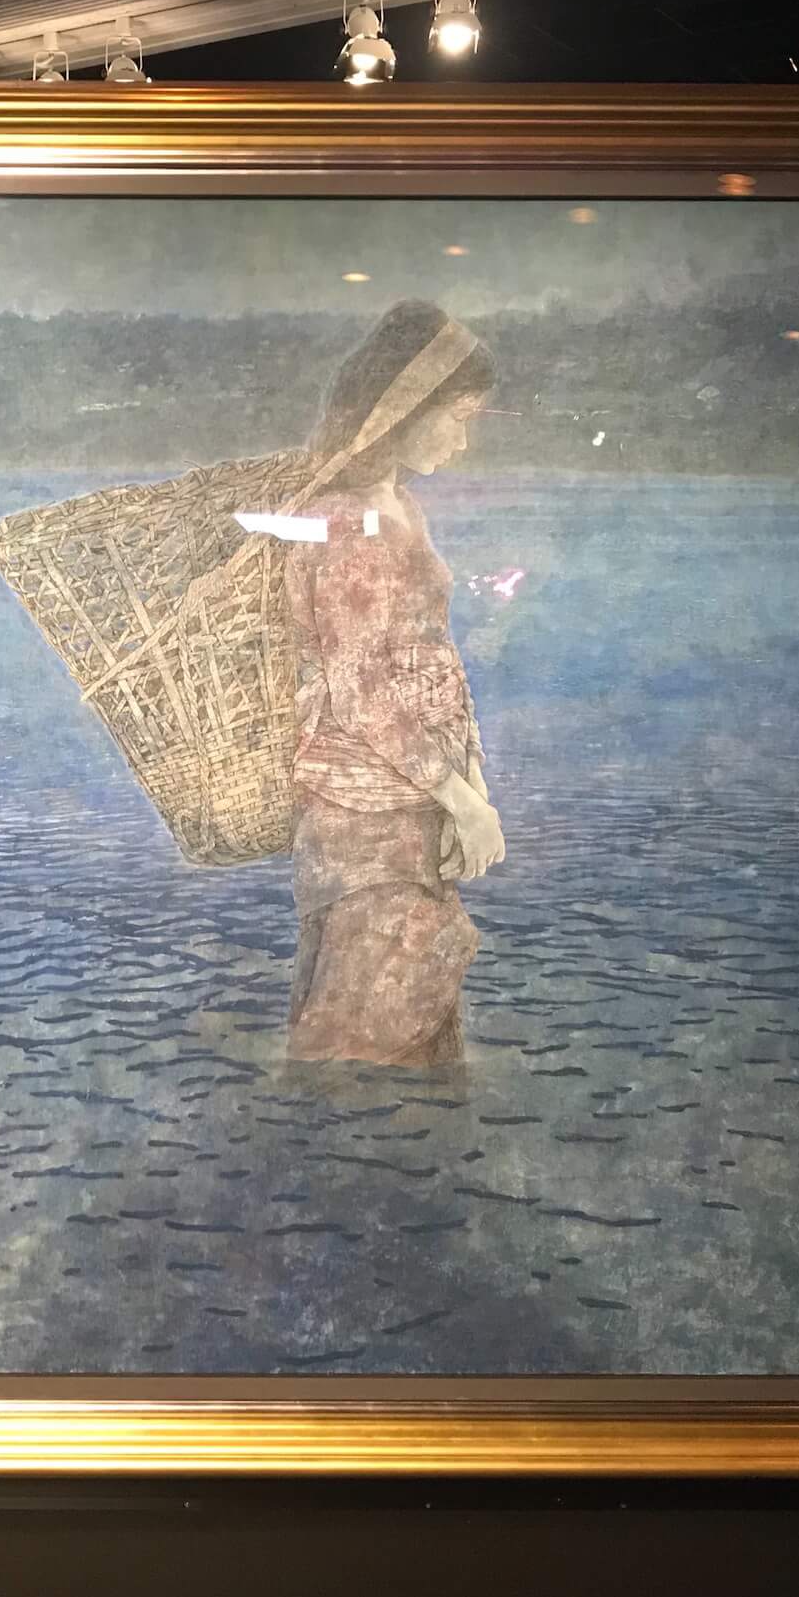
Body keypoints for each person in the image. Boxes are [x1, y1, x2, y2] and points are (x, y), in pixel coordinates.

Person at [282, 300, 504, 1068]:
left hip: (412, 804)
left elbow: (435, 659)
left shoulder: (399, 506)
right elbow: (361, 693)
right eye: (458, 418)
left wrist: (470, 788)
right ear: (405, 407)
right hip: (363, 818)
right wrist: (463, 801)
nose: (463, 440)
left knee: (413, 1043)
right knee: (359, 1045)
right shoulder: (346, 520)